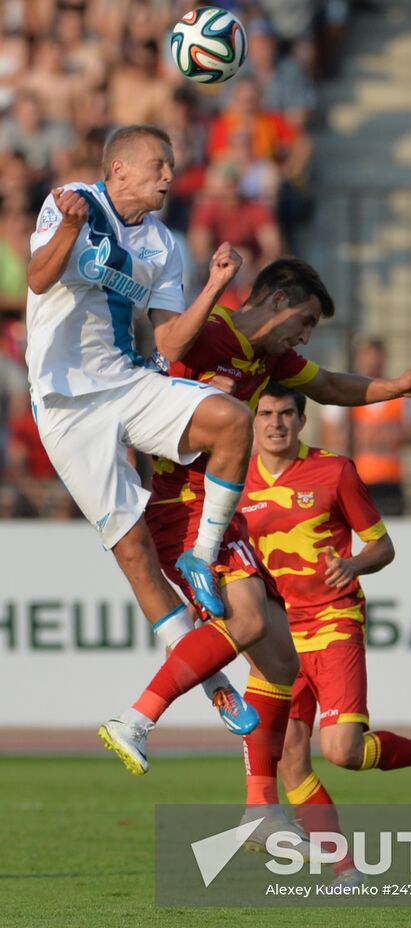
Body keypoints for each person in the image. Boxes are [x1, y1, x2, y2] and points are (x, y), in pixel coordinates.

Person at [100, 256, 411, 777]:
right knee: (245, 621)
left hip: (215, 511)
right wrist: (198, 388)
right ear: (278, 302)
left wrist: (398, 386)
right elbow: (165, 357)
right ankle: (138, 718)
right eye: (306, 323)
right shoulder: (208, 332)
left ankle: (260, 809)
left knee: (281, 661)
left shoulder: (269, 361)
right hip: (183, 507)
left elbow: (331, 385)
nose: (306, 338)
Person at [26, 124, 261, 743]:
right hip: (65, 404)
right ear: (119, 171)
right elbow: (37, 278)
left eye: (171, 165)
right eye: (159, 164)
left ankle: (201, 557)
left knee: (233, 421)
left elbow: (167, 342)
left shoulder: (162, 243)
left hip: (126, 382)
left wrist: (212, 287)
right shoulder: (72, 200)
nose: (168, 174)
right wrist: (72, 228)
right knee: (133, 556)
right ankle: (214, 687)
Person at [239, 382, 411, 872]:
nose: (275, 423)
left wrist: (354, 565)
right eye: (266, 413)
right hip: (277, 637)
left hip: (334, 622)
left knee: (343, 751)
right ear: (253, 421)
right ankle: (346, 870)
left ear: (301, 420)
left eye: (285, 413)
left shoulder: (334, 471)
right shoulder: (237, 483)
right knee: (290, 757)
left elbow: (383, 546)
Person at [320, 339, 411, 516]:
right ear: (358, 360)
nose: (372, 365)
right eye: (367, 359)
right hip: (354, 479)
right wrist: (366, 436)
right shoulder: (345, 393)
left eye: (377, 360)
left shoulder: (401, 396)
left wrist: (386, 435)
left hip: (391, 480)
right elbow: (327, 436)